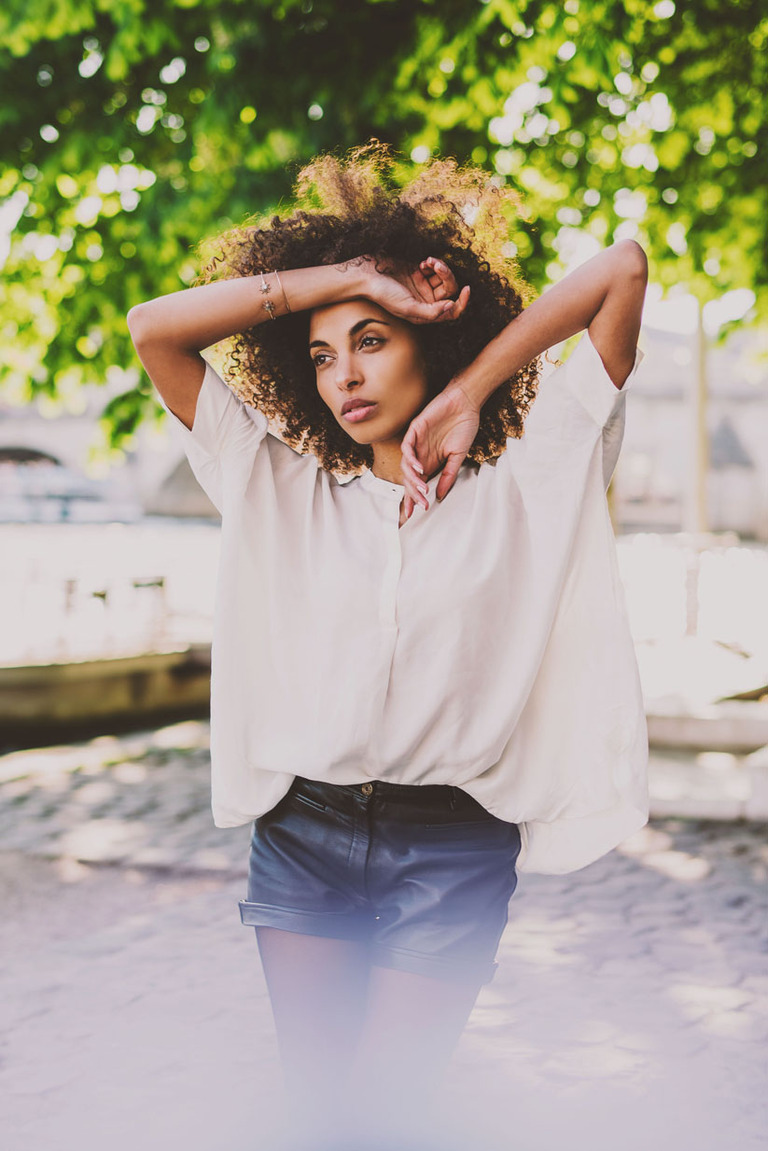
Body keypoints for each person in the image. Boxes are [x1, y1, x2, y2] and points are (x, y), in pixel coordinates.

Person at [127, 142, 649, 1150]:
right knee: (320, 1116)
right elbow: (155, 330)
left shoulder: (532, 484)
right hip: (302, 835)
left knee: (388, 1114)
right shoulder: (274, 484)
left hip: (451, 848)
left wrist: (471, 390)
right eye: (321, 354)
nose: (344, 374)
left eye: (371, 338)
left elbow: (619, 269)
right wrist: (350, 280)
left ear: (429, 340)